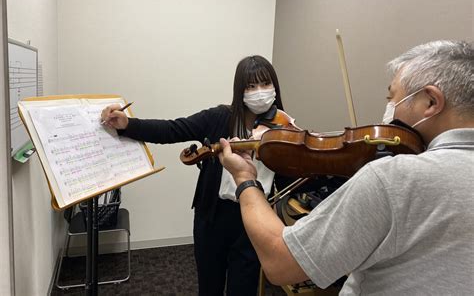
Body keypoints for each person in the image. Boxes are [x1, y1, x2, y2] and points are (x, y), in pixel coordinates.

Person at [218, 40, 474, 295]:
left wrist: (244, 177)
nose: (388, 109)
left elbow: (281, 262)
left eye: (392, 97)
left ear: (430, 102)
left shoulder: (395, 177)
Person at [101, 55, 291, 296]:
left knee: (243, 288)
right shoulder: (219, 117)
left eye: (265, 84)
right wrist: (128, 124)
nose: (260, 92)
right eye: (251, 86)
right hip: (212, 216)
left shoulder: (285, 128)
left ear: (275, 87)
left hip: (254, 219)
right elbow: (172, 129)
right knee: (209, 286)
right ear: (239, 90)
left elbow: (289, 179)